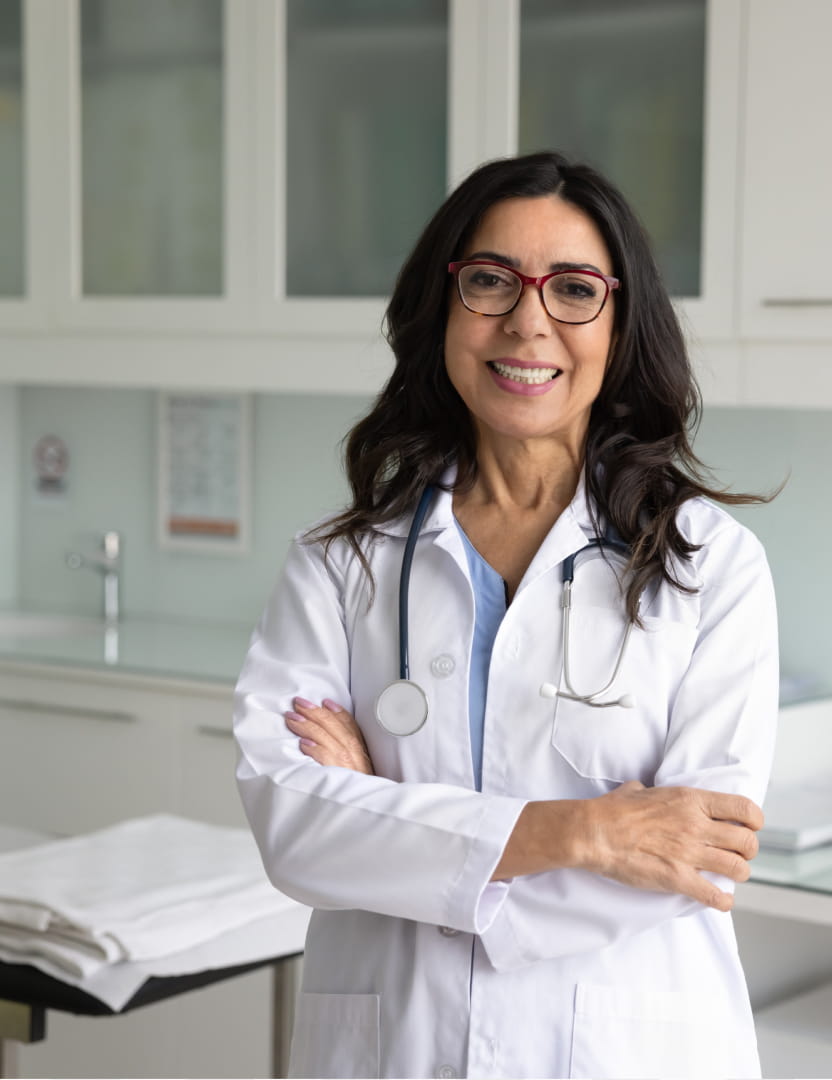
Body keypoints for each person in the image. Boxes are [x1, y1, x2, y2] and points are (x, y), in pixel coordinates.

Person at [233, 151, 778, 1080]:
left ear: (622, 324)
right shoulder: (343, 563)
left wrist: (394, 825)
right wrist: (588, 833)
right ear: (443, 308)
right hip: (393, 1048)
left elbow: (699, 857)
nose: (528, 322)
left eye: (574, 289)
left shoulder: (709, 567)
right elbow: (293, 830)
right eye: (490, 281)